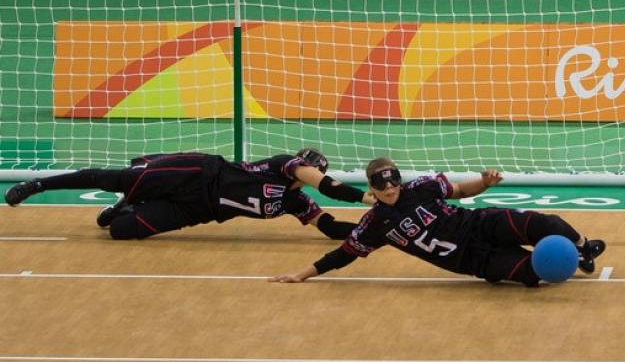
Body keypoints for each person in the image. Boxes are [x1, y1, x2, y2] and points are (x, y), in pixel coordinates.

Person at [269, 157, 605, 287]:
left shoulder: (421, 188)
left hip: (479, 225)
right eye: (381, 184)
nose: (389, 188)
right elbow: (344, 253)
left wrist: (484, 183)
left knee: (548, 223)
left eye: (393, 181)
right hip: (470, 260)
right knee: (534, 274)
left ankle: (581, 248)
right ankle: (568, 259)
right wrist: (303, 274)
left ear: (399, 180)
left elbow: (459, 190)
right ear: (371, 187)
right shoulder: (374, 224)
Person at [4, 149, 374, 240]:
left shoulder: (298, 201)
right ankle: (38, 185)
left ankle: (127, 206)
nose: (313, 176)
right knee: (110, 177)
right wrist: (364, 198)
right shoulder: (283, 164)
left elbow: (327, 226)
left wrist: (374, 233)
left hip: (199, 209)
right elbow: (330, 187)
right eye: (313, 170)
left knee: (120, 232)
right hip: (199, 174)